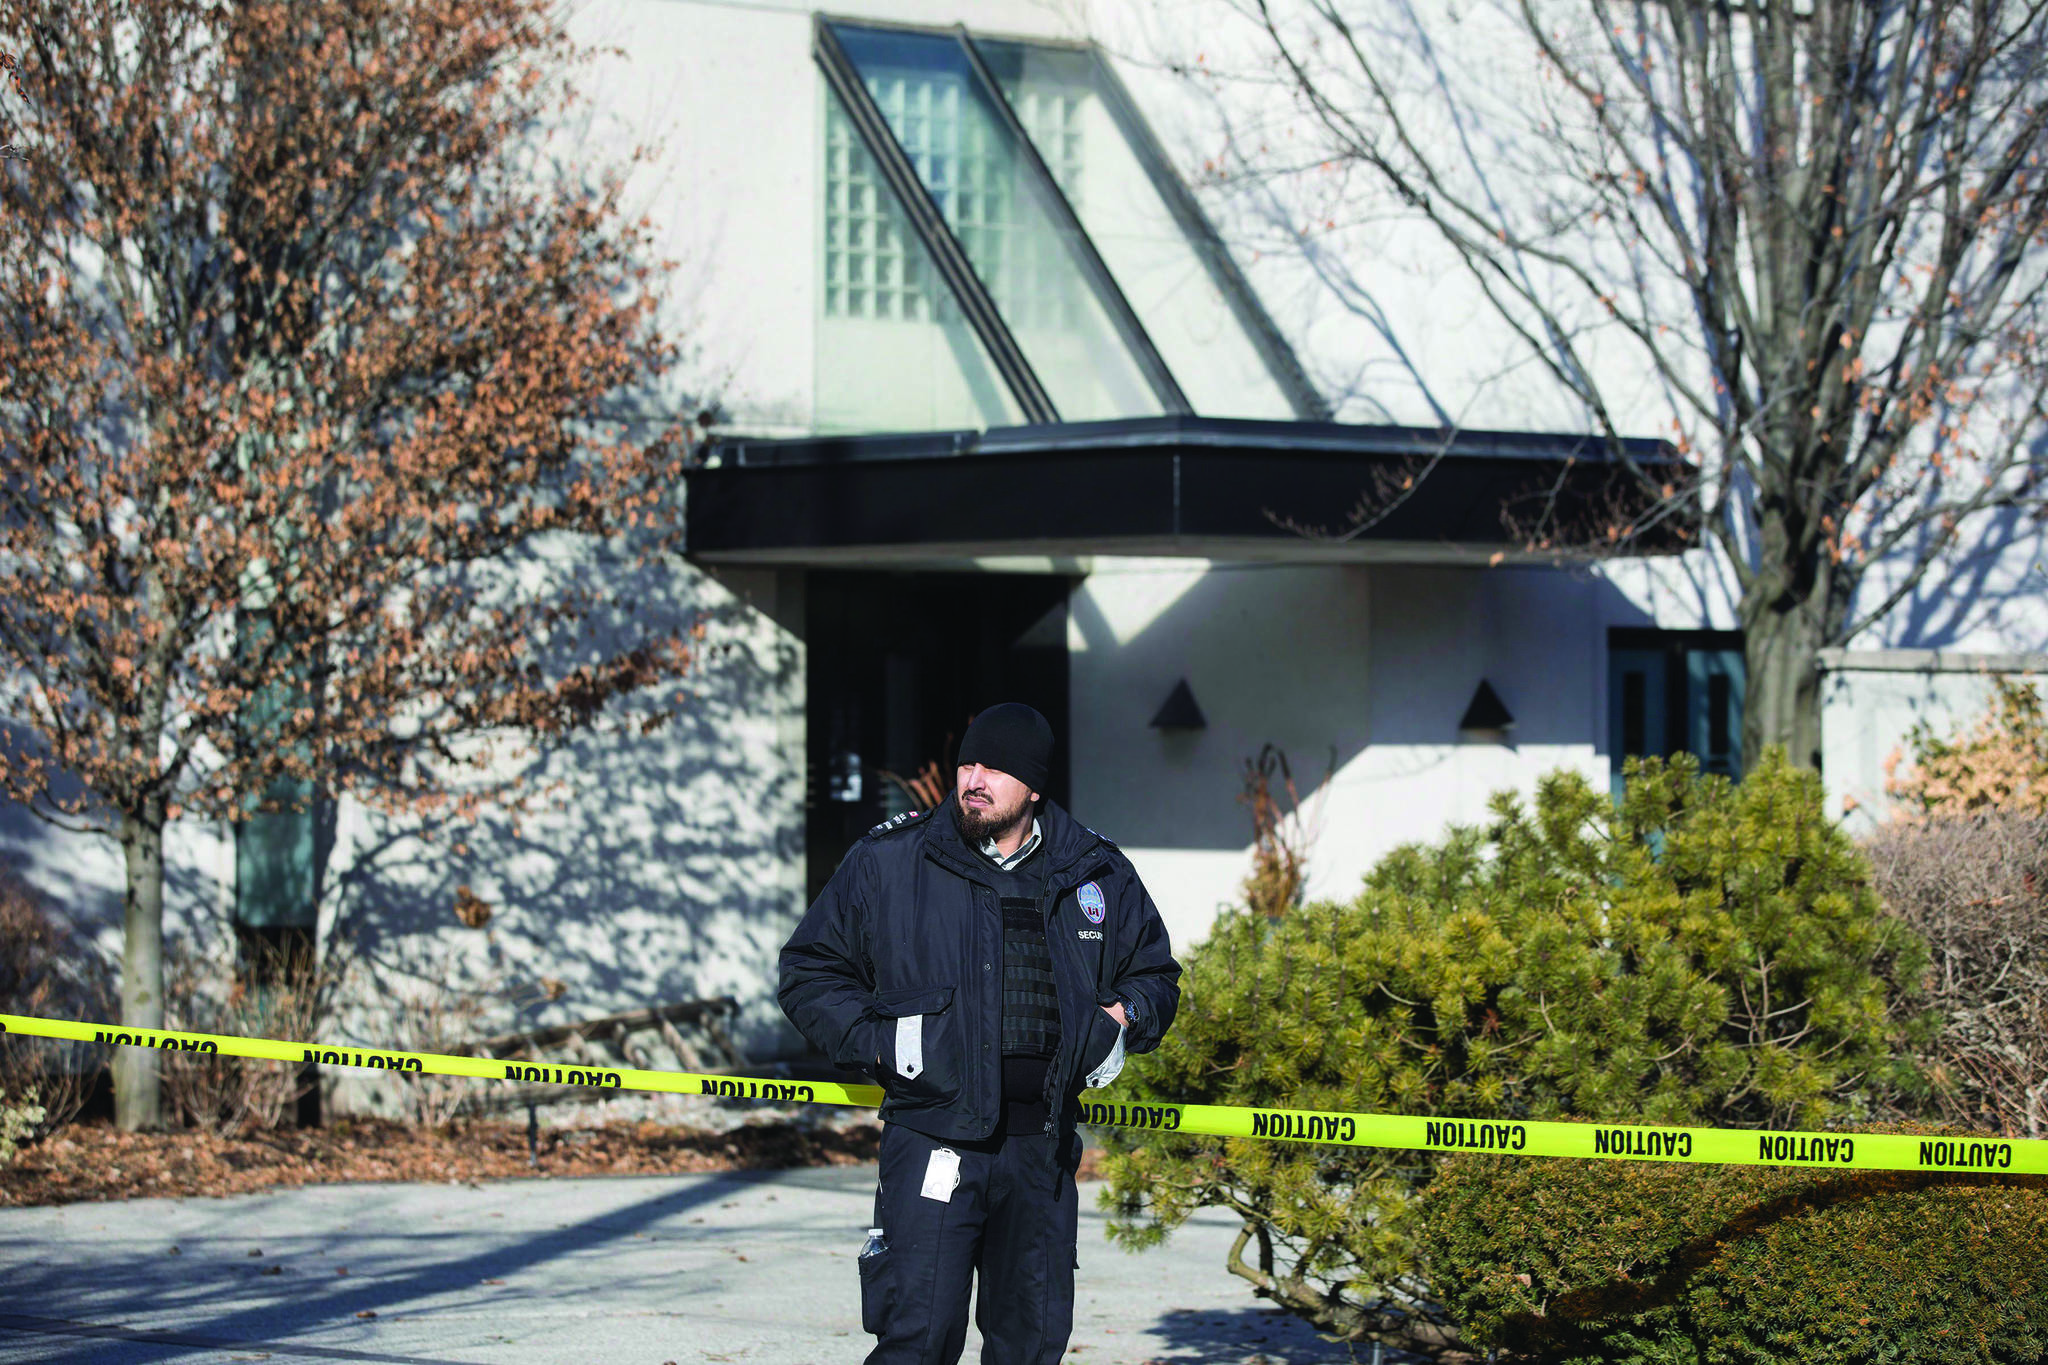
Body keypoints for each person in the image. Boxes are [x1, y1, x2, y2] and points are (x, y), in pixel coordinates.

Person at [778, 702, 1181, 1365]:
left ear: (1034, 784)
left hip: (1041, 1153)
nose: (974, 777)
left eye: (995, 766)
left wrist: (1121, 1020)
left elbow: (1155, 976)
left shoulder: (1094, 869)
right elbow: (809, 971)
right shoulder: (890, 861)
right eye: (968, 762)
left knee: (1030, 1344)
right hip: (933, 1140)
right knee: (917, 1340)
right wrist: (882, 1041)